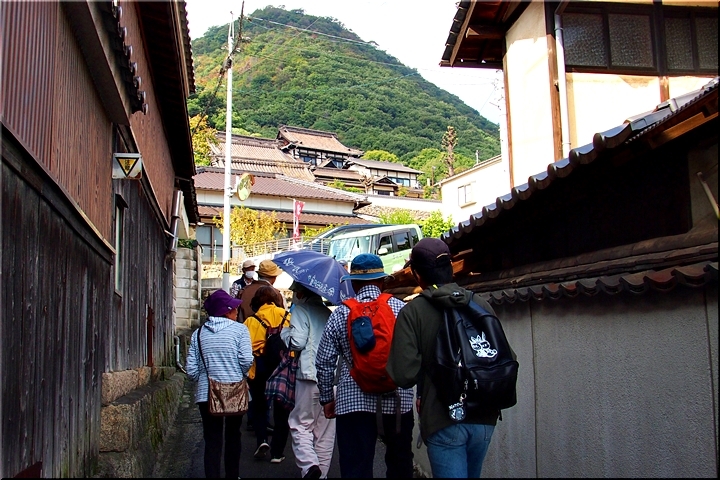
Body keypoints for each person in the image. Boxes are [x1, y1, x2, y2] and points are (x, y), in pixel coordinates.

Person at [386, 238, 501, 478]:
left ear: (417, 274)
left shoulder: (413, 312)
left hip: (442, 416)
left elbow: (403, 375)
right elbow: (504, 355)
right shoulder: (480, 303)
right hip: (484, 415)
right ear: (450, 268)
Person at [315, 254, 414, 478]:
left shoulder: (341, 313)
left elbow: (324, 361)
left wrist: (327, 398)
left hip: (353, 402)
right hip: (397, 400)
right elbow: (414, 354)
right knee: (400, 464)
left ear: (353, 283)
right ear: (382, 281)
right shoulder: (401, 309)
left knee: (356, 466)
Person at [186, 289, 253, 479]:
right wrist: (240, 374)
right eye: (234, 308)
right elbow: (246, 360)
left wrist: (203, 377)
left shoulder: (198, 334)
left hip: (206, 393)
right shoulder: (240, 330)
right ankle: (232, 475)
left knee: (212, 439)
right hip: (235, 390)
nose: (237, 311)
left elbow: (191, 370)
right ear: (226, 311)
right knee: (233, 435)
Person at [281, 281, 336, 479]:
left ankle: (309, 465)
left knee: (300, 424)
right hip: (332, 378)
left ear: (301, 293)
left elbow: (297, 342)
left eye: (295, 292)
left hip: (309, 376)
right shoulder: (329, 313)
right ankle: (321, 475)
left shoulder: (301, 311)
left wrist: (285, 333)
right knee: (325, 431)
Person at [245, 286, 292, 461]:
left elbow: (245, 348)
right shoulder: (286, 316)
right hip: (282, 366)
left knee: (259, 406)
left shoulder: (251, 321)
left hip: (260, 365)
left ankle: (262, 440)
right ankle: (277, 453)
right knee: (282, 409)